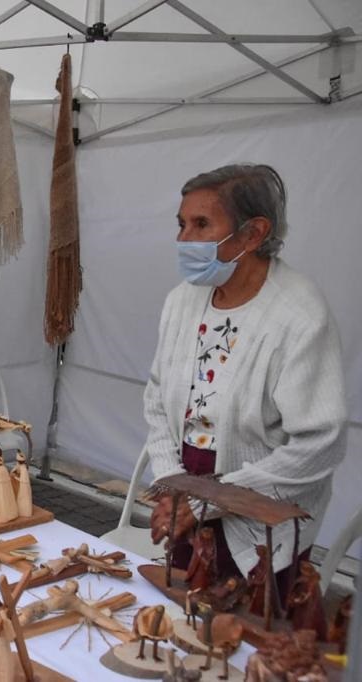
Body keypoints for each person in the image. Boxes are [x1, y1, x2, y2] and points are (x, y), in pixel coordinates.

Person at [144, 164, 347, 594]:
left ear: (253, 233)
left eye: (201, 224)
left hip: (260, 520)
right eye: (181, 224)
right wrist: (171, 484)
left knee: (241, 644)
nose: (183, 240)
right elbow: (158, 399)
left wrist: (203, 499)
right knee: (178, 624)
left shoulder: (298, 314)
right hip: (185, 497)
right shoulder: (181, 301)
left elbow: (319, 444)